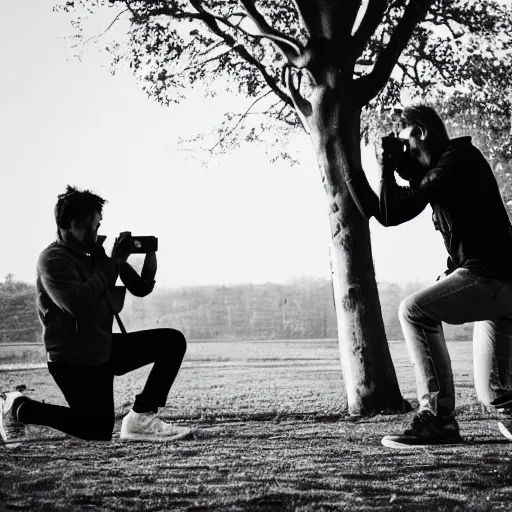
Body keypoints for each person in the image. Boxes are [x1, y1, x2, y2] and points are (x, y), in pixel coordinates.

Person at [344, 104, 512, 448]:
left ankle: (437, 419)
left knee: (414, 310)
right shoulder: (443, 171)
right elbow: (390, 213)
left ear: (420, 132)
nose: (404, 152)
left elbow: (404, 203)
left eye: (406, 143)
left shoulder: (458, 158)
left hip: (495, 278)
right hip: (499, 285)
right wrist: (356, 173)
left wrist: (392, 169)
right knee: (496, 394)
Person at [0, 186, 190, 443]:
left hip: (103, 349)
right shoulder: (52, 259)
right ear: (71, 225)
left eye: (99, 225)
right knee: (97, 431)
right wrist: (112, 262)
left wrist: (145, 254)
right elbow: (79, 303)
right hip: (73, 360)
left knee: (172, 341)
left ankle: (141, 416)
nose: (96, 232)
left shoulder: (97, 256)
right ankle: (18, 407)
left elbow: (140, 287)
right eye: (92, 226)